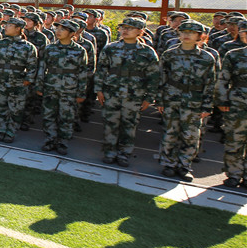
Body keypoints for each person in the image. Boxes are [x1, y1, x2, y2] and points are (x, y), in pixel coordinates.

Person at [94, 17, 159, 167]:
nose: (125, 30)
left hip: (134, 95)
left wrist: (149, 97)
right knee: (110, 123)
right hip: (112, 92)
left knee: (129, 125)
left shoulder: (147, 52)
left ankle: (124, 153)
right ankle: (109, 152)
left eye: (130, 28)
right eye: (123, 27)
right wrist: (99, 90)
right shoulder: (110, 48)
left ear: (140, 32)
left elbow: (153, 76)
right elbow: (101, 70)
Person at [157, 20, 216, 181]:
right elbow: (162, 78)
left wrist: (207, 105)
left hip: (194, 102)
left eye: (191, 32)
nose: (187, 35)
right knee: (170, 133)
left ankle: (184, 166)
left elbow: (210, 83)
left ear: (199, 36)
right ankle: (169, 164)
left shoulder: (206, 57)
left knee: (191, 136)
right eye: (184, 31)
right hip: (172, 99)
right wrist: (160, 100)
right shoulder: (170, 54)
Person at [35, 19, 89, 155]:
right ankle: (50, 139)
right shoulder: (50, 48)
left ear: (72, 33)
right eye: (57, 28)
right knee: (49, 114)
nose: (58, 31)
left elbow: (83, 73)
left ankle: (63, 142)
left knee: (67, 116)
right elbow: (42, 68)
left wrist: (81, 92)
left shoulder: (79, 51)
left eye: (62, 29)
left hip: (69, 88)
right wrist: (40, 85)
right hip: (51, 86)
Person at [0, 17, 37, 143]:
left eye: (9, 25)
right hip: (1, 81)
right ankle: (1, 130)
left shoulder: (28, 47)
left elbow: (32, 66)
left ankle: (11, 131)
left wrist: (27, 80)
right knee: (1, 107)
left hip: (18, 83)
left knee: (16, 109)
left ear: (18, 29)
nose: (6, 27)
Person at [217, 21, 247, 187]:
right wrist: (222, 100)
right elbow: (223, 79)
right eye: (245, 33)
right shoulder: (234, 55)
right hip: (237, 104)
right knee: (234, 140)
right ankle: (234, 174)